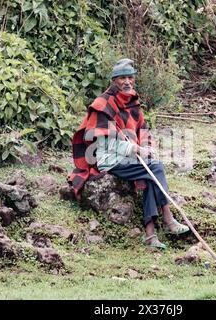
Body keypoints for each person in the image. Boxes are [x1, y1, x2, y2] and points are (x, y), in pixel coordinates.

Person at [69, 58, 189, 249]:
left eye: (130, 78)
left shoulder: (132, 101)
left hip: (131, 157)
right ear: (114, 81)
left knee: (152, 174)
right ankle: (168, 218)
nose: (127, 82)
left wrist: (147, 147)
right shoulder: (102, 104)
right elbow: (105, 141)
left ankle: (150, 236)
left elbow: (143, 129)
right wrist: (136, 149)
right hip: (110, 159)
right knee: (156, 166)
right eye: (122, 78)